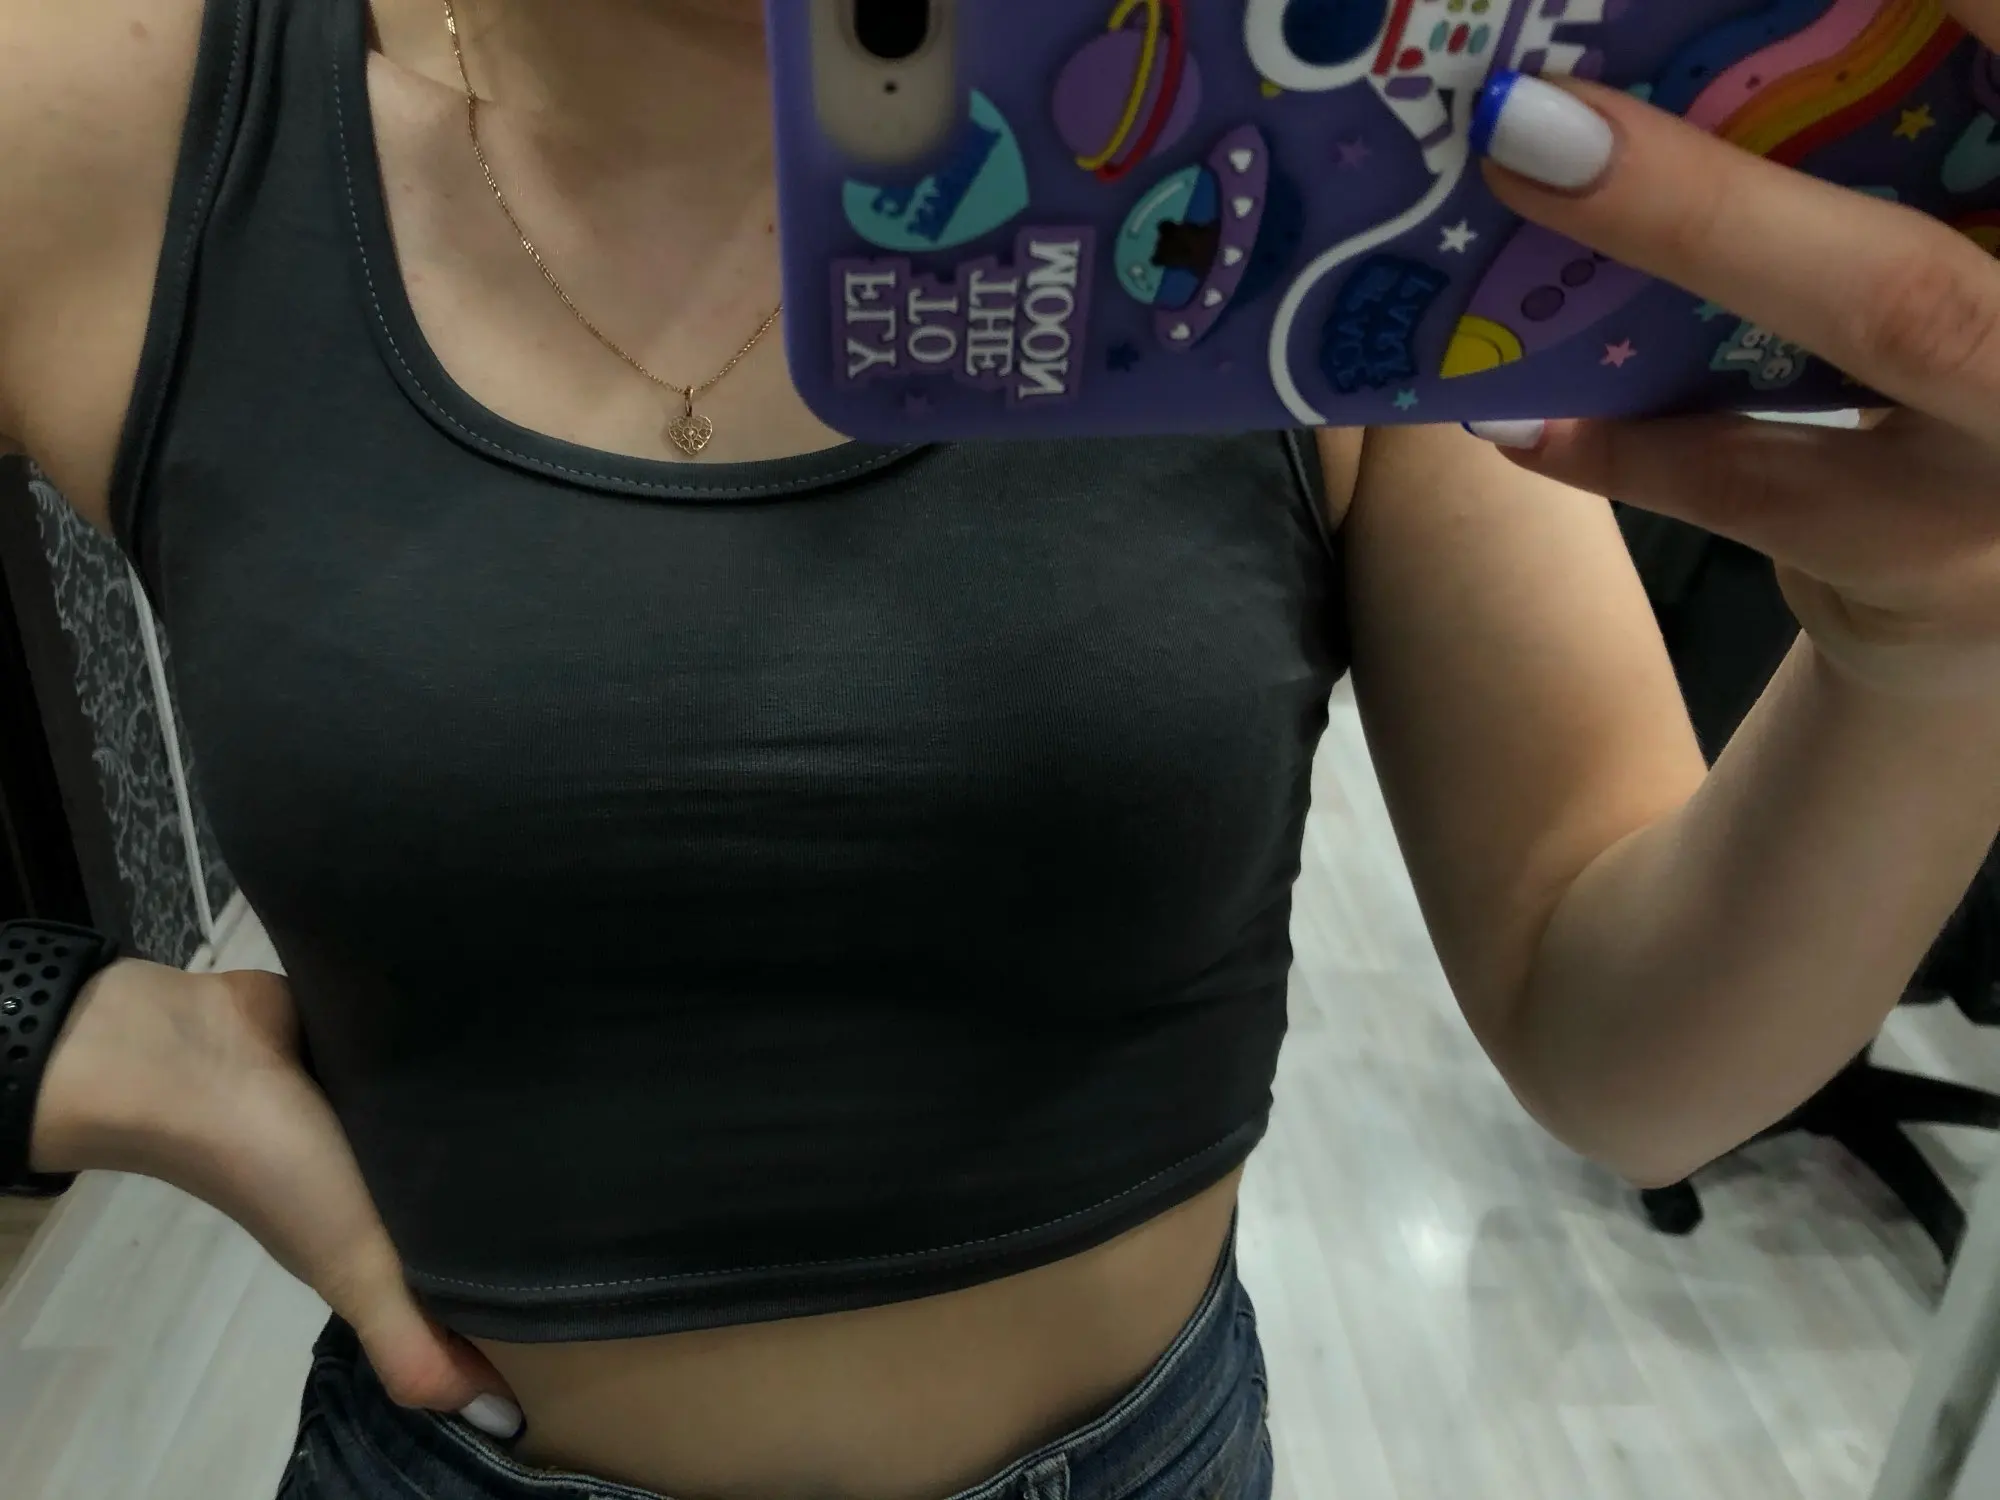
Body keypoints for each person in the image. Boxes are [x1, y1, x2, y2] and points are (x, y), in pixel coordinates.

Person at [3, 3, 1998, 1499]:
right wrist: (84, 1042)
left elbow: (1629, 1051)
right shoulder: (98, 112)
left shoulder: (1331, 124)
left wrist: (1929, 653)